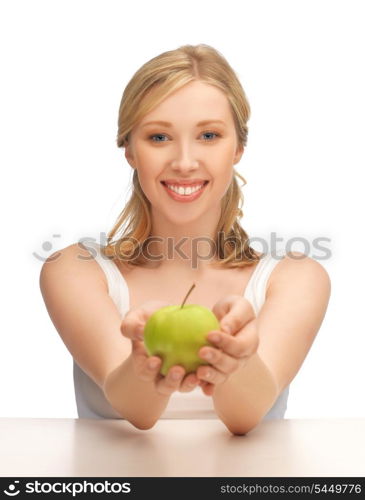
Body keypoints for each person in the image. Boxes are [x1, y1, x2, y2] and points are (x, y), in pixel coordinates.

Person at [39, 43, 331, 435]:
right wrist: (142, 365)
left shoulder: (296, 278)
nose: (184, 161)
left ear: (238, 148)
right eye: (159, 138)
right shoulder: (74, 271)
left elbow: (246, 417)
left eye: (209, 135)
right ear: (129, 150)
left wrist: (235, 361)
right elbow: (134, 410)